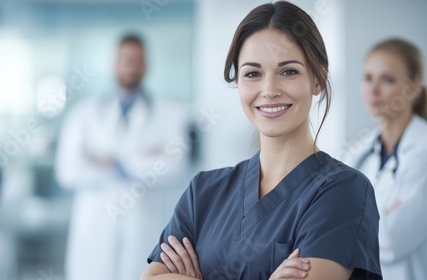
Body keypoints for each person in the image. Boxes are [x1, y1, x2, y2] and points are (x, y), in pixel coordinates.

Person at [141, 2, 383, 279]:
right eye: (253, 74)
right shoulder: (204, 192)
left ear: (317, 79)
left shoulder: (343, 191)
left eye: (288, 71)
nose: (269, 90)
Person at [55, 34, 189, 280]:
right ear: (114, 63)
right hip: (95, 227)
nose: (131, 66)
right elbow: (68, 171)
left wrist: (113, 161)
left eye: (137, 60)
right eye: (125, 60)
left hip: (144, 223)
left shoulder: (171, 113)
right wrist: (145, 158)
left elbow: (175, 167)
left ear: (147, 65)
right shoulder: (83, 114)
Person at [341, 38, 427, 280]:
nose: (373, 89)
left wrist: (344, 225)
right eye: (368, 78)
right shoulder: (358, 153)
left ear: (413, 88)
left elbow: (392, 241)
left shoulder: (423, 150)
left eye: (387, 79)